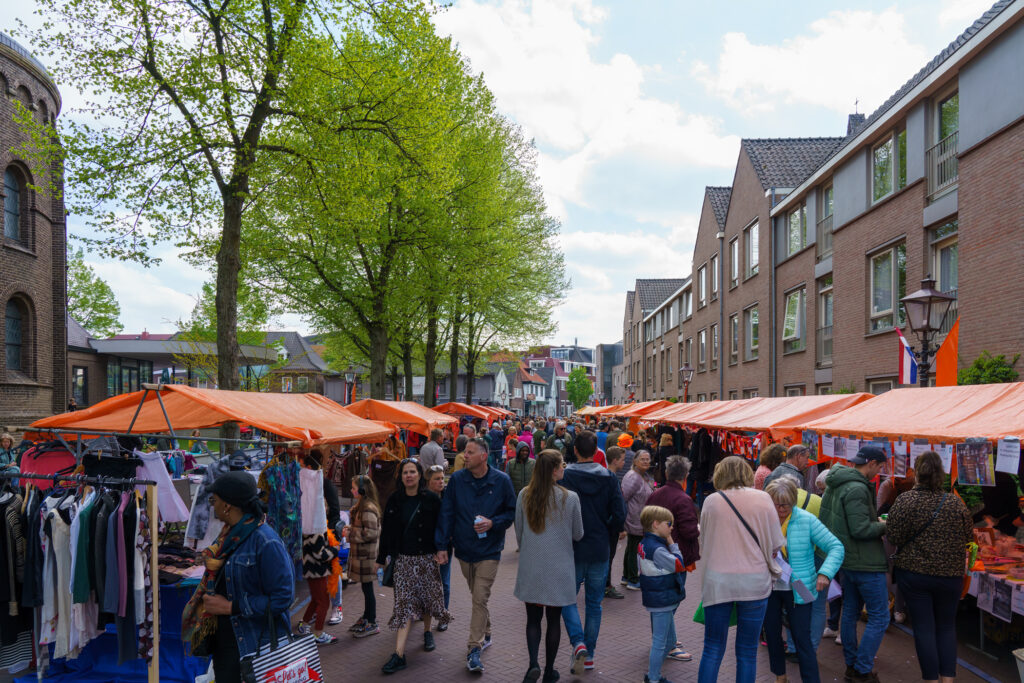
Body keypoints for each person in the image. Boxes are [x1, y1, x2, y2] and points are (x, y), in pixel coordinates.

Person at [182, 471, 294, 683]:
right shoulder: (229, 537)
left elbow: (283, 598)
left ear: (228, 505)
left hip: (254, 649)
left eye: (214, 500)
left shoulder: (266, 542)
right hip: (227, 647)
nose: (212, 505)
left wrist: (230, 607)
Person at [886, 451, 973, 683]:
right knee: (946, 627)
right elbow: (968, 536)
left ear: (916, 472)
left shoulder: (905, 501)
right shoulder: (956, 503)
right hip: (950, 575)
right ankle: (947, 680)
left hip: (915, 576)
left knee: (924, 628)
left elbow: (893, 536)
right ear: (941, 475)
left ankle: (931, 680)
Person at [697, 456, 784, 683]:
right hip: (754, 581)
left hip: (719, 580)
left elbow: (704, 540)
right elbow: (776, 544)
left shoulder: (712, 501)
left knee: (712, 648)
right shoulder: (764, 499)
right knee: (747, 651)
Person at [435, 437, 517, 673]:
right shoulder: (458, 480)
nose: (465, 455)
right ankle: (486, 630)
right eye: (465, 452)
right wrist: (442, 546)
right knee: (477, 596)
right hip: (463, 549)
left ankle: (474, 649)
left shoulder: (501, 481)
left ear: (483, 456)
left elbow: (511, 513)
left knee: (479, 598)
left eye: (470, 452)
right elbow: (447, 513)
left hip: (490, 550)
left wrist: (494, 523)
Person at [763, 478, 844, 683]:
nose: (780, 509)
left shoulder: (806, 520)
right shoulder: (762, 519)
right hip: (769, 588)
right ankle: (780, 677)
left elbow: (836, 546)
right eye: (776, 504)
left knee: (802, 640)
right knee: (772, 635)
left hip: (798, 589)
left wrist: (825, 573)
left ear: (793, 501)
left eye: (785, 504)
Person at [819, 446, 890, 683]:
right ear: (870, 463)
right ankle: (861, 669)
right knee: (880, 616)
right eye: (880, 467)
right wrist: (884, 525)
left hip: (845, 559)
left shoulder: (836, 482)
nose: (879, 472)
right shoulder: (858, 488)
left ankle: (852, 665)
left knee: (849, 612)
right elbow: (860, 529)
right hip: (865, 561)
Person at [559, 430, 626, 674]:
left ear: (575, 450)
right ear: (596, 452)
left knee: (567, 598)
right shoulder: (608, 477)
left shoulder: (565, 477)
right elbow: (620, 514)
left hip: (572, 547)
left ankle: (578, 643)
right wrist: (609, 531)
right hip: (599, 546)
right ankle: (590, 655)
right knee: (594, 604)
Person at [514, 450, 584, 683]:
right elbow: (578, 534)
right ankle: (549, 671)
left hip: (532, 566)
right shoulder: (570, 497)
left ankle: (533, 663)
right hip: (559, 568)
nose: (564, 468)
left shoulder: (525, 494)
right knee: (554, 621)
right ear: (554, 470)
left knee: (533, 620)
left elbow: (519, 532)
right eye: (562, 465)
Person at [376, 459, 451, 674]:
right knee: (404, 605)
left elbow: (442, 527)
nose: (409, 475)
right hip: (404, 560)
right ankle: (399, 654)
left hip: (426, 559)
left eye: (412, 472)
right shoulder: (394, 500)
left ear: (419, 475)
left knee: (426, 599)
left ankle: (427, 631)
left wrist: (442, 549)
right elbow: (387, 531)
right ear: (400, 477)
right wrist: (381, 558)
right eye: (405, 472)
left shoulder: (431, 500)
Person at [646, 455, 700, 662]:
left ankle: (666, 638)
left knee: (662, 599)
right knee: (670, 601)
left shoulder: (656, 494)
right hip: (675, 556)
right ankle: (666, 643)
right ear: (685, 476)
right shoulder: (683, 499)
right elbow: (688, 532)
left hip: (655, 553)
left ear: (667, 473)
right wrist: (697, 530)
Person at [638, 505, 689, 683]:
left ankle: (654, 675)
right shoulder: (657, 548)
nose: (671, 527)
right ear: (656, 524)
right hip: (662, 599)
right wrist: (672, 543)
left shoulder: (644, 543)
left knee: (667, 641)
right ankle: (653, 677)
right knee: (661, 642)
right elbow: (679, 564)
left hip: (658, 597)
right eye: (669, 524)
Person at [296, 450, 340, 644]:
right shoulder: (315, 529)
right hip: (316, 570)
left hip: (311, 569)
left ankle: (304, 625)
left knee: (315, 599)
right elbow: (321, 554)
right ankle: (318, 633)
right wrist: (336, 550)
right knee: (323, 601)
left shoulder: (311, 525)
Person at [346, 474, 382, 639]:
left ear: (361, 490)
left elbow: (372, 532)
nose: (351, 490)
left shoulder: (367, 507)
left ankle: (372, 621)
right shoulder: (363, 505)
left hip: (366, 557)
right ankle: (367, 616)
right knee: (366, 588)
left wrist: (350, 533)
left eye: (353, 488)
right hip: (362, 556)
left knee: (368, 589)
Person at [621, 449, 656, 590]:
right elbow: (623, 498)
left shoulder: (643, 476)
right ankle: (633, 579)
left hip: (639, 519)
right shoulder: (633, 477)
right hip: (634, 519)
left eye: (648, 459)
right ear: (635, 461)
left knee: (631, 548)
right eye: (643, 459)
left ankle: (626, 576)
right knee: (634, 548)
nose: (646, 462)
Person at [426, 465, 453, 621]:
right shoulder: (423, 498)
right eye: (437, 479)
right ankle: (426, 613)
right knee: (427, 583)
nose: (441, 481)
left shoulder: (448, 498)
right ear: (429, 481)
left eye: (442, 478)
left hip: (445, 546)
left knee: (444, 583)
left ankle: (443, 615)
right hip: (427, 547)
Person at [604, 446, 628, 600]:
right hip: (610, 526)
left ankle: (604, 584)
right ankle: (606, 586)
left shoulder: (604, 476)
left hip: (605, 524)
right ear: (614, 460)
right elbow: (617, 506)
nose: (624, 462)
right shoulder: (611, 479)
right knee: (609, 556)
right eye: (622, 459)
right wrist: (619, 527)